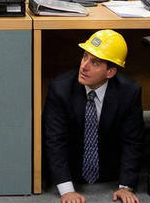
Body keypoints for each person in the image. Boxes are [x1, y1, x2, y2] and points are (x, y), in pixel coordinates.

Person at [43, 29, 144, 203]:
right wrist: (67, 190)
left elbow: (133, 141)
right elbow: (54, 140)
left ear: (110, 72)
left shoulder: (129, 92)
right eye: (84, 57)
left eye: (95, 63)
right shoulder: (60, 89)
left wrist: (125, 186)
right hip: (72, 169)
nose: (84, 66)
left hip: (109, 171)